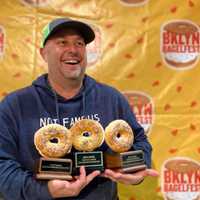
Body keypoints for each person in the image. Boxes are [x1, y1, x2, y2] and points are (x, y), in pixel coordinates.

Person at [0, 18, 158, 200]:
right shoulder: (15, 105)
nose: (73, 50)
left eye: (79, 43)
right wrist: (45, 191)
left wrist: (137, 170)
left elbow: (139, 141)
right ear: (43, 53)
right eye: (62, 42)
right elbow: (2, 167)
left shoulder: (110, 98)